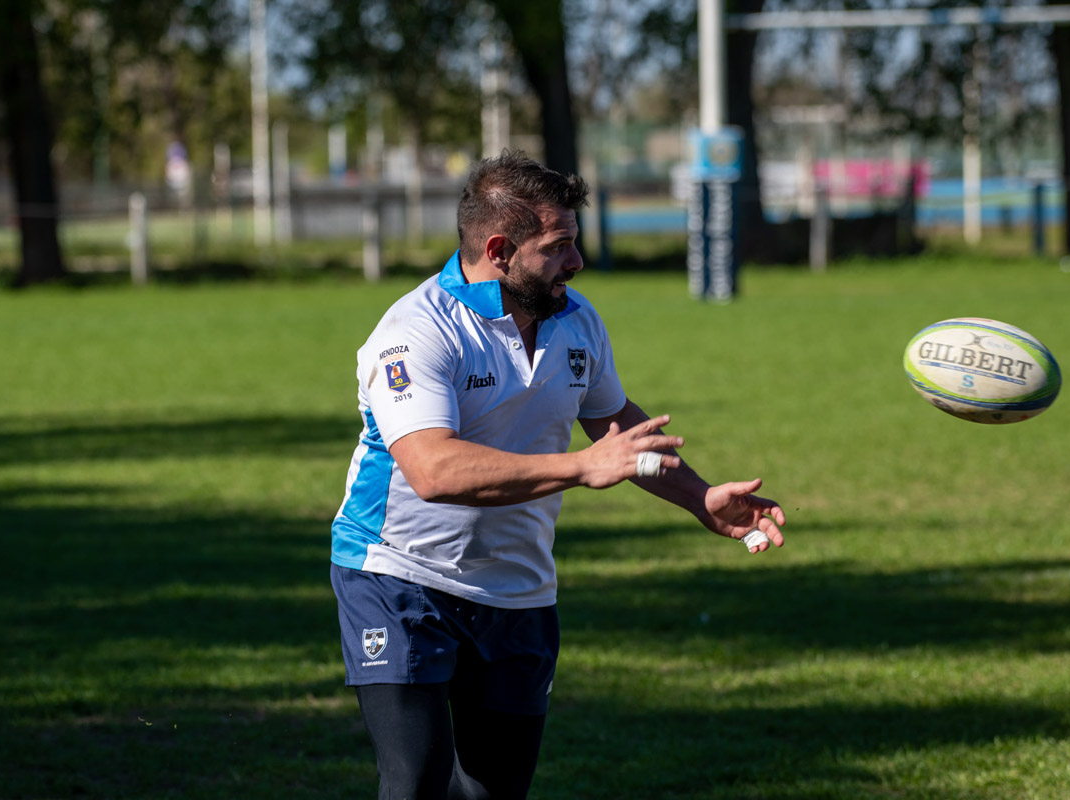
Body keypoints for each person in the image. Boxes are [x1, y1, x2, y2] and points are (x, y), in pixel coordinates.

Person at [331, 150, 785, 799]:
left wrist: (701, 498)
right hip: (398, 576)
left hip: (518, 589)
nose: (576, 261)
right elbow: (432, 469)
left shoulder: (577, 321)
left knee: (494, 791)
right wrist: (580, 468)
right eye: (558, 246)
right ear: (499, 248)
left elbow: (613, 429)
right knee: (416, 781)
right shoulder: (416, 330)